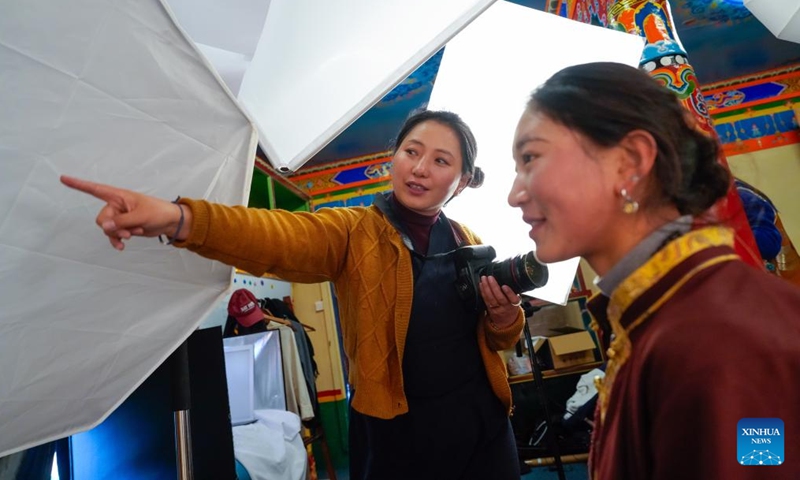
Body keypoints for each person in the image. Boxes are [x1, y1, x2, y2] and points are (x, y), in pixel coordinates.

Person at [61, 110, 524, 479]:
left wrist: (505, 320)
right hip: (397, 431)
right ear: (394, 157)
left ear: (461, 181)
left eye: (441, 161)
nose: (420, 168)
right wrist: (180, 218)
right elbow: (277, 234)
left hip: (480, 423)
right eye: (411, 151)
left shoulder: (469, 241)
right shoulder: (353, 231)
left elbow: (495, 340)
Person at [506, 61, 800, 480]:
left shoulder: (722, 338)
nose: (514, 194)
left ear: (630, 161)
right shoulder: (657, 313)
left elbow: (759, 463)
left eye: (530, 158)